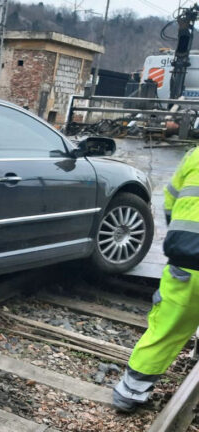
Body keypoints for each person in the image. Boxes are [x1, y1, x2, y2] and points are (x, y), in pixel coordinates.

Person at [113, 147, 199, 411]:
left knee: (165, 329)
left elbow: (170, 202)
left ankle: (129, 393)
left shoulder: (195, 155)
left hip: (186, 261)